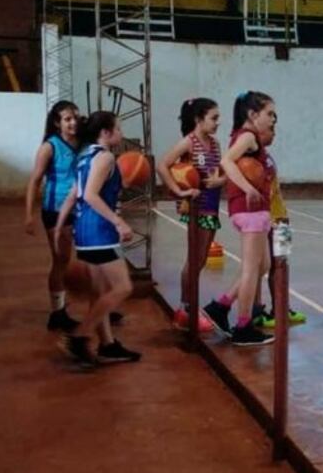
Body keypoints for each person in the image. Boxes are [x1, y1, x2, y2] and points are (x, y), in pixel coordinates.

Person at [55, 112, 140, 367]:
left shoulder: (85, 156)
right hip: (99, 233)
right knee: (122, 287)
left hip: (85, 231)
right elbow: (90, 195)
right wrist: (118, 221)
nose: (121, 132)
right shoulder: (104, 157)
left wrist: (61, 224)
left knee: (100, 292)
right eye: (118, 127)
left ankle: (108, 345)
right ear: (105, 131)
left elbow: (74, 193)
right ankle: (79, 337)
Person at [202, 92, 278, 346]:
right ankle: (243, 327)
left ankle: (221, 306)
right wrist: (247, 188)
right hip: (250, 211)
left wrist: (229, 181)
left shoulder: (246, 137)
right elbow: (226, 161)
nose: (272, 119)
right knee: (250, 269)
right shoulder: (247, 136)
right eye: (269, 113)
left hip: (253, 210)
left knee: (262, 265)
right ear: (252, 114)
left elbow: (233, 167)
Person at [156, 98, 226, 333]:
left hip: (212, 206)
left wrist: (220, 180)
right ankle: (186, 309)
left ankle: (189, 307)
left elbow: (219, 173)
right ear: (198, 119)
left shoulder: (215, 145)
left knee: (202, 260)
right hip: (197, 208)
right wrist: (179, 191)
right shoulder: (189, 142)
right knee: (194, 260)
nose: (218, 122)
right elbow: (162, 165)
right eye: (213, 118)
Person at [24, 101, 81, 332]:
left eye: (75, 117)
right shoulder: (50, 147)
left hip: (79, 208)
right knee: (61, 260)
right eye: (67, 119)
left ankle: (99, 307)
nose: (73, 122)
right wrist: (28, 215)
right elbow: (35, 181)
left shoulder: (82, 143)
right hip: (55, 210)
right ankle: (57, 312)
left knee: (83, 258)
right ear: (57, 123)